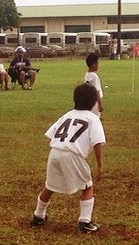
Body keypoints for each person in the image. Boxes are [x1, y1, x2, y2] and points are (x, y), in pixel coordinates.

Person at [30, 83, 106, 234]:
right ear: (94, 102)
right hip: (72, 155)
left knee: (50, 186)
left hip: (55, 152)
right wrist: (100, 165)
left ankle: (38, 216)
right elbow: (97, 142)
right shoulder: (93, 118)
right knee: (87, 186)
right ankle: (85, 221)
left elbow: (51, 134)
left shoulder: (67, 115)